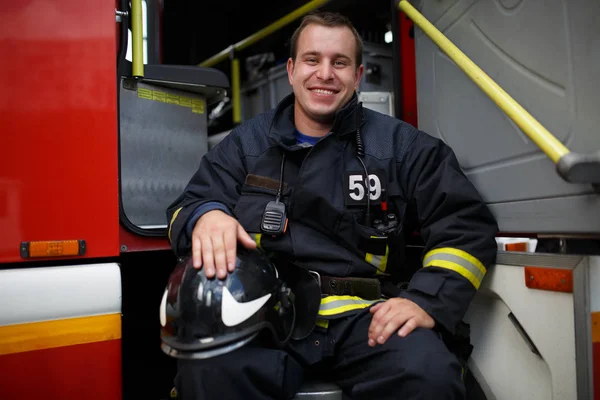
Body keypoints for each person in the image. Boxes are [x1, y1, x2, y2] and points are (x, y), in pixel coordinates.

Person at [166, 10, 498, 400]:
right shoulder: (246, 145)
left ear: (357, 76)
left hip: (368, 319)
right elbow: (186, 207)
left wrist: (426, 300)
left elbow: (465, 224)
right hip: (264, 315)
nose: (324, 73)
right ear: (291, 70)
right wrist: (207, 215)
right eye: (312, 60)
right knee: (207, 375)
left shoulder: (401, 148)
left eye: (339, 62)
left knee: (430, 376)